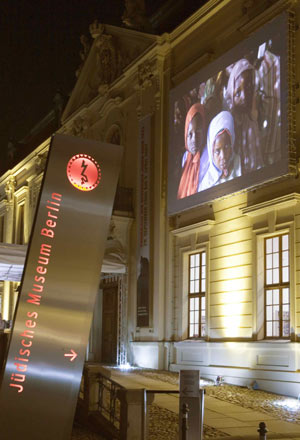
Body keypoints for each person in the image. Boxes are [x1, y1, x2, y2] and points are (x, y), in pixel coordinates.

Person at [226, 58, 263, 173]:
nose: (244, 96)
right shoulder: (230, 124)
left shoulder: (253, 116)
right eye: (238, 93)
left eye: (248, 87)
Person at [199, 111, 241, 190]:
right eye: (217, 151)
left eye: (226, 147)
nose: (223, 156)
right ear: (211, 152)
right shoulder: (206, 185)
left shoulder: (240, 164)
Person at [177, 103, 208, 199]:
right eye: (190, 134)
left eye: (198, 132)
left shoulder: (208, 156)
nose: (194, 139)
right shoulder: (186, 157)